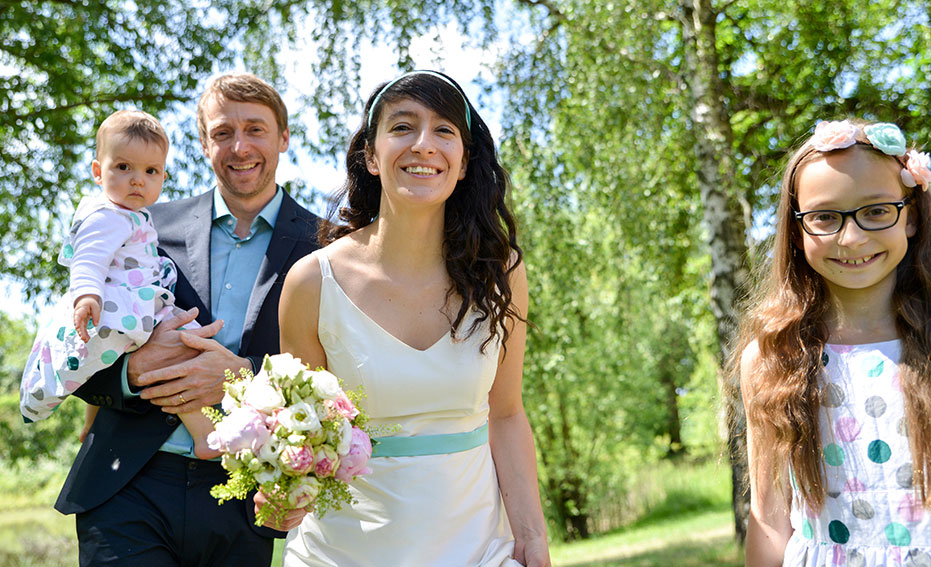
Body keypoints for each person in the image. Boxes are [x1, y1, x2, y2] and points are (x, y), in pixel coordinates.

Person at [267, 70, 551, 566]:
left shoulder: (500, 272)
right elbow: (302, 431)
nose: (424, 144)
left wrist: (532, 536)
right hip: (339, 554)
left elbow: (506, 414)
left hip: (479, 551)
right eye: (402, 127)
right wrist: (279, 491)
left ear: (463, 163)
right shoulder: (312, 282)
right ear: (371, 156)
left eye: (444, 130)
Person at [54, 73, 321, 566]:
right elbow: (74, 345)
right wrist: (131, 373)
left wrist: (245, 376)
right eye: (222, 133)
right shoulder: (140, 224)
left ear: (284, 137)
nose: (239, 147)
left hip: (246, 495)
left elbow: (338, 374)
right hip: (126, 487)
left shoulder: (326, 246)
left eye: (256, 129)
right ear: (203, 144)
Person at [732, 119, 931, 566]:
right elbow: (769, 520)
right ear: (796, 231)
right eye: (825, 217)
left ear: (912, 216)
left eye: (877, 211)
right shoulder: (773, 359)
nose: (852, 237)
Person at [20, 110, 219, 459]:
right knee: (180, 349)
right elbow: (88, 259)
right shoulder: (107, 216)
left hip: (125, 302)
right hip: (119, 306)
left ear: (163, 176)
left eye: (150, 171)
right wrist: (87, 296)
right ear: (99, 171)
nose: (137, 180)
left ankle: (91, 424)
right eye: (124, 167)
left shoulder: (127, 214)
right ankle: (205, 434)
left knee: (102, 361)